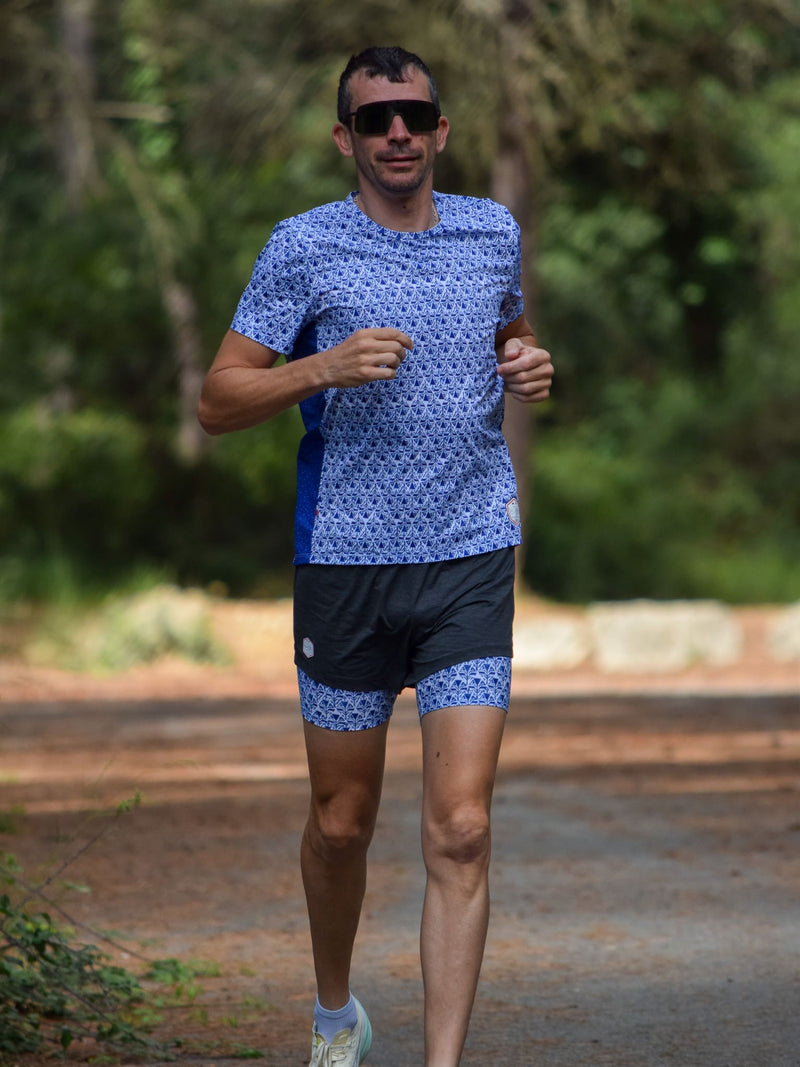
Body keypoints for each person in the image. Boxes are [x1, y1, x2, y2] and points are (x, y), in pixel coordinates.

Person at [198, 45, 553, 1067]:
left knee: (463, 826)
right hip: (345, 562)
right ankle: (334, 1011)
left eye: (413, 115)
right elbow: (219, 399)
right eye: (374, 119)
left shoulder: (492, 230)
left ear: (439, 131)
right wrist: (322, 363)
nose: (395, 132)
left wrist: (527, 362)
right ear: (345, 137)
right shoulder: (301, 247)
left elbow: (510, 337)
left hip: (469, 555)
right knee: (342, 821)